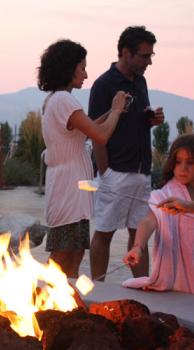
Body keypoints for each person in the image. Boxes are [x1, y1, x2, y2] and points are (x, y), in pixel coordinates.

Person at [37, 39, 127, 278]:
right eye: (82, 68)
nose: (86, 74)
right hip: (68, 186)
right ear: (69, 68)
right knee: (65, 253)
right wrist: (116, 110)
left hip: (68, 183)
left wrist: (112, 110)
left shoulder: (55, 100)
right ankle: (45, 303)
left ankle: (63, 305)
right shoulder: (64, 100)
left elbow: (84, 130)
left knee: (74, 251)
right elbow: (100, 135)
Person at [89, 26, 165, 281]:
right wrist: (105, 173)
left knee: (139, 234)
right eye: (144, 56)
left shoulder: (141, 81)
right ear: (125, 53)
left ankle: (142, 286)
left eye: (150, 55)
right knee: (104, 232)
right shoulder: (104, 85)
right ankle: (98, 291)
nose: (149, 62)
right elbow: (95, 130)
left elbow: (133, 119)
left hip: (141, 172)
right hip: (116, 172)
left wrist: (151, 119)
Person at [123, 134, 194, 293]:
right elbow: (149, 221)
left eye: (190, 162)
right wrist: (138, 247)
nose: (183, 168)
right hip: (179, 277)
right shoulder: (165, 195)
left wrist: (188, 206)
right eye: (178, 162)